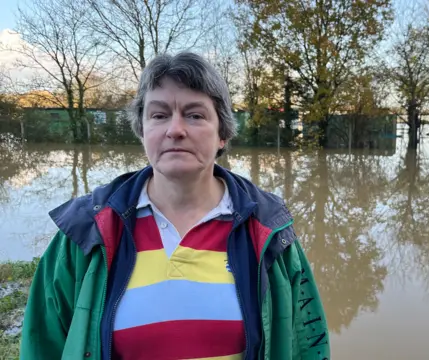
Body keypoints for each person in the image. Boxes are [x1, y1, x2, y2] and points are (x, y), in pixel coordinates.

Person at [20, 51, 330, 360]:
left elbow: (307, 345)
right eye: (159, 115)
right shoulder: (85, 232)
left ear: (222, 134)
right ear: (142, 131)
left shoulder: (270, 232)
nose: (175, 129)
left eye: (195, 115)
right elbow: (41, 345)